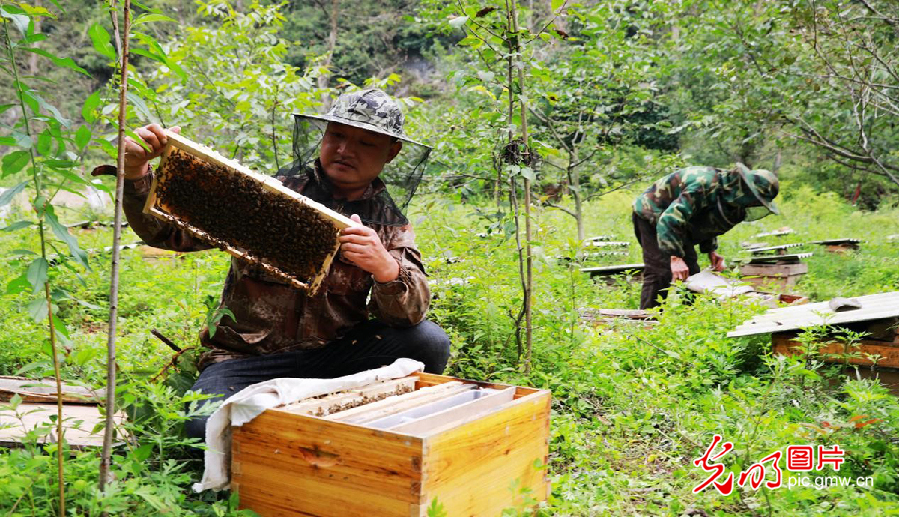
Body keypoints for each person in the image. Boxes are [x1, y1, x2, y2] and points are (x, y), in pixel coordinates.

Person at [109, 89, 451, 439]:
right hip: (246, 359)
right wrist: (136, 171)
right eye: (337, 135)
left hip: (334, 356)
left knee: (429, 341)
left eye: (365, 142)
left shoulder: (389, 225)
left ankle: (377, 420)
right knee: (202, 428)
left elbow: (409, 315)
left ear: (391, 152)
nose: (345, 150)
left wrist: (386, 270)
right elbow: (168, 233)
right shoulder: (265, 192)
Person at [631, 164, 779, 309]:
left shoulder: (726, 192)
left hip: (678, 222)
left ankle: (689, 318)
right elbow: (669, 219)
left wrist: (711, 250)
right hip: (651, 213)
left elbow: (705, 220)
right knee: (660, 270)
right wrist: (675, 258)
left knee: (692, 271)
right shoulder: (704, 185)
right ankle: (648, 321)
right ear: (746, 189)